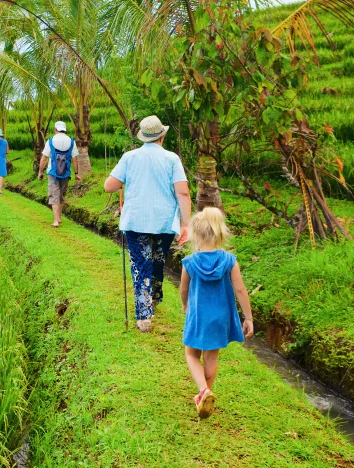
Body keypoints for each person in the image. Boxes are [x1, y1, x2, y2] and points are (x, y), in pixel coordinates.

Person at [103, 115, 191, 332]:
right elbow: (183, 192)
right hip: (163, 222)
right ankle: (154, 300)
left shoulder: (129, 157)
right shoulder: (172, 159)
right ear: (162, 136)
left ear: (143, 137)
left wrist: (124, 179)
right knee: (158, 261)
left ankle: (144, 316)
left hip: (136, 221)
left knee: (141, 265)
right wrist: (185, 224)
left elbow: (109, 186)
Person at [178, 207, 254, 419]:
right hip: (221, 317)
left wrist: (185, 305)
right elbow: (240, 290)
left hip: (199, 316)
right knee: (211, 357)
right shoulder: (229, 261)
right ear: (220, 233)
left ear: (195, 234)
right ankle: (206, 395)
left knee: (191, 353)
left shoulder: (190, 262)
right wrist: (247, 317)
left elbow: (183, 289)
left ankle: (203, 391)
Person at [37, 121, 82, 227]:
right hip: (66, 173)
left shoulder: (51, 140)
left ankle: (56, 221)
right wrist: (76, 173)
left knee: (54, 195)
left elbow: (44, 158)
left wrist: (40, 171)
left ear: (56, 129)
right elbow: (74, 159)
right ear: (65, 129)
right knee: (61, 195)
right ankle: (59, 217)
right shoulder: (71, 141)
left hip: (53, 173)